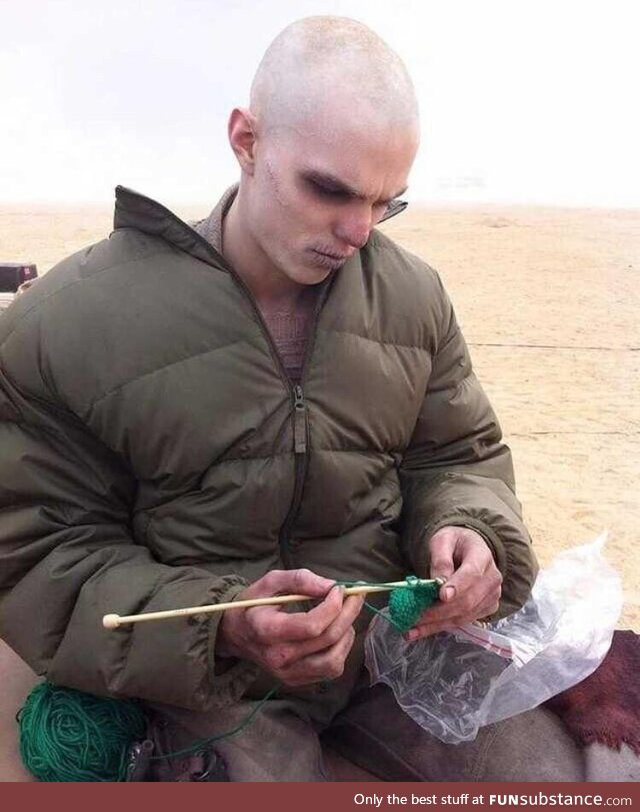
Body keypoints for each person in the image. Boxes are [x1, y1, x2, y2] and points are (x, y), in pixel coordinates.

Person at [0, 16, 585, 781]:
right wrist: (225, 626)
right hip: (207, 675)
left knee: (550, 778)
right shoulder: (72, 323)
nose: (357, 231)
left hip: (390, 652)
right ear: (246, 139)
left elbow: (459, 455)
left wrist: (469, 530)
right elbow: (38, 549)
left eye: (387, 203)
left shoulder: (412, 298)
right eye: (329, 189)